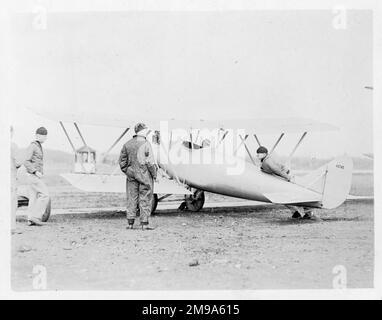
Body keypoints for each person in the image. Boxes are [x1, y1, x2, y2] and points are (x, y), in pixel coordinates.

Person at [256, 146, 313, 219]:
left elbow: (276, 170)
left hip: (285, 177)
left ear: (264, 154)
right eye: (257, 154)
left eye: (259, 153)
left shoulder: (267, 161)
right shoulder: (266, 160)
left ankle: (307, 212)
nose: (257, 155)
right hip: (283, 177)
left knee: (294, 195)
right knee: (284, 196)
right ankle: (298, 212)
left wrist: (288, 177)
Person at [119, 123, 158, 230]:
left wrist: (128, 171)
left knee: (131, 198)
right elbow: (150, 163)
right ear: (142, 131)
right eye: (145, 130)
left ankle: (130, 223)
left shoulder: (127, 144)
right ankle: (144, 224)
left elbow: (122, 162)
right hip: (145, 176)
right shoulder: (146, 144)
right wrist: (154, 175)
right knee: (145, 198)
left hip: (131, 176)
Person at [23, 127, 50, 226]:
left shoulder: (38, 146)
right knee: (45, 194)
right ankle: (36, 217)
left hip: (33, 176)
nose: (45, 138)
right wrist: (35, 172)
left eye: (46, 136)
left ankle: (30, 219)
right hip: (33, 176)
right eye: (44, 136)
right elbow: (26, 161)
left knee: (33, 198)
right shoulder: (33, 146)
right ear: (38, 135)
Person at [10, 126, 22, 234]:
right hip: (10, 178)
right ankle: (11, 227)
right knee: (12, 202)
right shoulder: (13, 146)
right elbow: (18, 163)